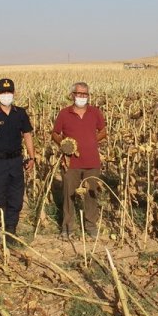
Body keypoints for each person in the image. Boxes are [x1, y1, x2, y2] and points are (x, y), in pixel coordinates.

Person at [0, 78, 36, 237]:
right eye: (3, 92)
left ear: (14, 93)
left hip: (16, 161)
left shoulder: (20, 113)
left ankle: (11, 231)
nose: (6, 95)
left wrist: (32, 157)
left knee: (15, 198)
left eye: (9, 92)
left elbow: (27, 135)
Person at [52, 82, 107, 238]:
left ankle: (91, 226)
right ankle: (67, 227)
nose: (81, 97)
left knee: (91, 194)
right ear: (72, 95)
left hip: (92, 161)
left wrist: (92, 140)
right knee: (69, 194)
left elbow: (103, 131)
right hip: (71, 163)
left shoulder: (95, 112)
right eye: (79, 93)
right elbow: (55, 133)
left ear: (88, 96)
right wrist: (63, 144)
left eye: (85, 94)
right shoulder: (64, 114)